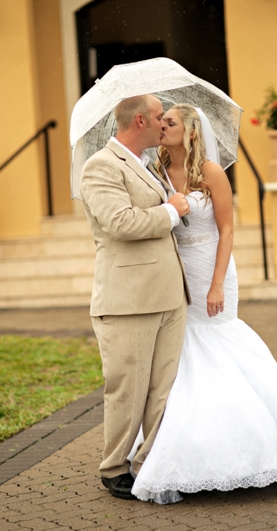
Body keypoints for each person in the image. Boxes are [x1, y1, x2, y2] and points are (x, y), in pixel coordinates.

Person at [129, 103, 277, 504]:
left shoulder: (208, 171)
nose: (161, 126)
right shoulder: (152, 172)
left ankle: (250, 450)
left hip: (212, 266)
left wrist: (217, 284)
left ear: (190, 132)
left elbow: (227, 230)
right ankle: (183, 449)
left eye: (169, 122)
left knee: (218, 343)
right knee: (182, 351)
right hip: (176, 271)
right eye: (160, 121)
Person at [78, 93, 191, 500]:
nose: (166, 123)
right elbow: (120, 223)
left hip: (169, 295)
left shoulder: (149, 166)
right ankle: (114, 468)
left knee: (164, 387)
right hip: (127, 299)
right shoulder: (101, 166)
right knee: (128, 388)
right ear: (140, 121)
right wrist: (172, 211)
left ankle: (148, 463)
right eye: (161, 117)